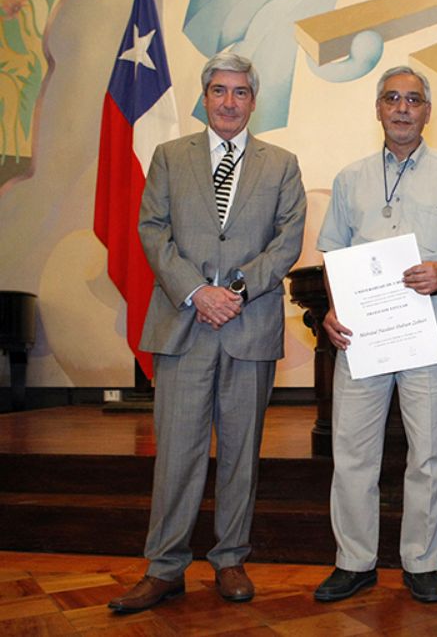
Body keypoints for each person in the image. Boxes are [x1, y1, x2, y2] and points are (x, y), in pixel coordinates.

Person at [109, 53, 306, 613]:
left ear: (253, 100)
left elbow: (288, 240)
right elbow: (152, 230)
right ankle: (164, 567)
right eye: (219, 90)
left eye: (240, 92)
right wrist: (198, 291)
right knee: (177, 452)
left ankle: (230, 559)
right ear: (204, 96)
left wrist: (235, 291)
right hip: (184, 325)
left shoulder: (281, 164)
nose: (228, 102)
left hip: (249, 325)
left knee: (241, 453)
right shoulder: (169, 157)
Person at [313, 66, 437, 604]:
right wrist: (334, 307)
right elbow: (332, 253)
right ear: (378, 109)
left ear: (428, 111)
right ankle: (354, 561)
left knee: (428, 453)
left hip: (428, 328)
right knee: (352, 451)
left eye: (413, 100)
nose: (403, 108)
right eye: (392, 98)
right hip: (361, 333)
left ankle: (422, 562)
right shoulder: (350, 178)